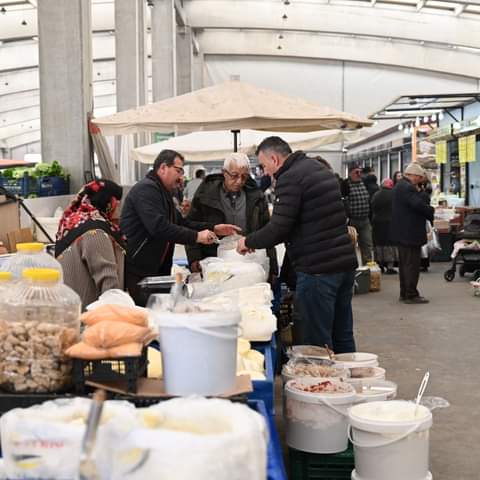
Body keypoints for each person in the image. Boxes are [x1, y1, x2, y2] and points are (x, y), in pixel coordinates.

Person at [237, 137, 358, 353]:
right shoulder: (316, 168)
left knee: (316, 342)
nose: (265, 172)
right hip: (343, 265)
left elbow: (279, 227)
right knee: (342, 334)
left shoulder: (291, 178)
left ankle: (324, 384)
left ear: (274, 158)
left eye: (264, 166)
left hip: (318, 270)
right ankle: (350, 381)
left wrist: (248, 241)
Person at [120, 149, 240, 306]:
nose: (181, 176)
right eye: (178, 170)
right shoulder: (146, 190)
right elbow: (159, 227)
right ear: (163, 168)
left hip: (157, 267)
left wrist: (215, 228)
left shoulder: (163, 193)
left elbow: (182, 222)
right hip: (140, 269)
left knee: (159, 311)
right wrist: (197, 237)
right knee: (146, 314)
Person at [186, 152, 278, 277]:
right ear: (224, 172)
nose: (239, 181)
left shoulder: (256, 196)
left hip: (249, 265)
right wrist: (194, 260)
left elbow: (267, 232)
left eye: (244, 177)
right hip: (214, 266)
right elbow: (191, 227)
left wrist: (272, 268)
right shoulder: (205, 195)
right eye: (234, 176)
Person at [55, 180, 125, 310]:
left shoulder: (73, 222)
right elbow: (109, 285)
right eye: (118, 203)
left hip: (69, 313)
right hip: (89, 318)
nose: (120, 209)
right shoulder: (96, 232)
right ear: (109, 202)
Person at [390, 163, 434, 304]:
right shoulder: (407, 188)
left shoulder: (400, 186)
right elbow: (418, 205)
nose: (420, 180)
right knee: (412, 265)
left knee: (405, 265)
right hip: (409, 232)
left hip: (403, 232)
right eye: (419, 177)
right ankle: (411, 294)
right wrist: (429, 207)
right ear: (412, 175)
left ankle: (405, 292)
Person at [341, 165, 373, 264]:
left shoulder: (365, 182)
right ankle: (352, 268)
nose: (359, 174)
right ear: (350, 173)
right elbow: (343, 201)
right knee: (351, 245)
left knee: (367, 245)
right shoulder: (345, 184)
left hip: (365, 220)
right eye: (356, 172)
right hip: (352, 220)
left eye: (360, 172)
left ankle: (368, 268)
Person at [371, 178, 398, 274]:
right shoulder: (394, 195)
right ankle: (390, 266)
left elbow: (372, 207)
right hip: (390, 222)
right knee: (389, 244)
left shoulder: (376, 195)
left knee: (378, 243)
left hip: (377, 222)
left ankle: (380, 265)